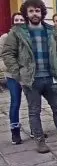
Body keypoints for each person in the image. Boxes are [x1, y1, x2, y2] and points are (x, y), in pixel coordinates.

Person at [1, 0, 57, 153]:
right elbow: (7, 54)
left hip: (51, 77)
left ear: (42, 12)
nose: (34, 14)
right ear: (26, 13)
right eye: (31, 11)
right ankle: (40, 141)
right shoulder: (17, 33)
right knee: (34, 111)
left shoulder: (52, 31)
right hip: (31, 80)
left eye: (37, 11)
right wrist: (18, 73)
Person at [1, 13, 25, 144]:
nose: (19, 22)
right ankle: (15, 132)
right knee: (15, 102)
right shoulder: (5, 37)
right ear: (12, 22)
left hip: (27, 75)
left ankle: (35, 129)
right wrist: (9, 68)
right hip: (12, 75)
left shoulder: (29, 36)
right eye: (16, 20)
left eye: (21, 19)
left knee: (34, 103)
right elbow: (1, 56)